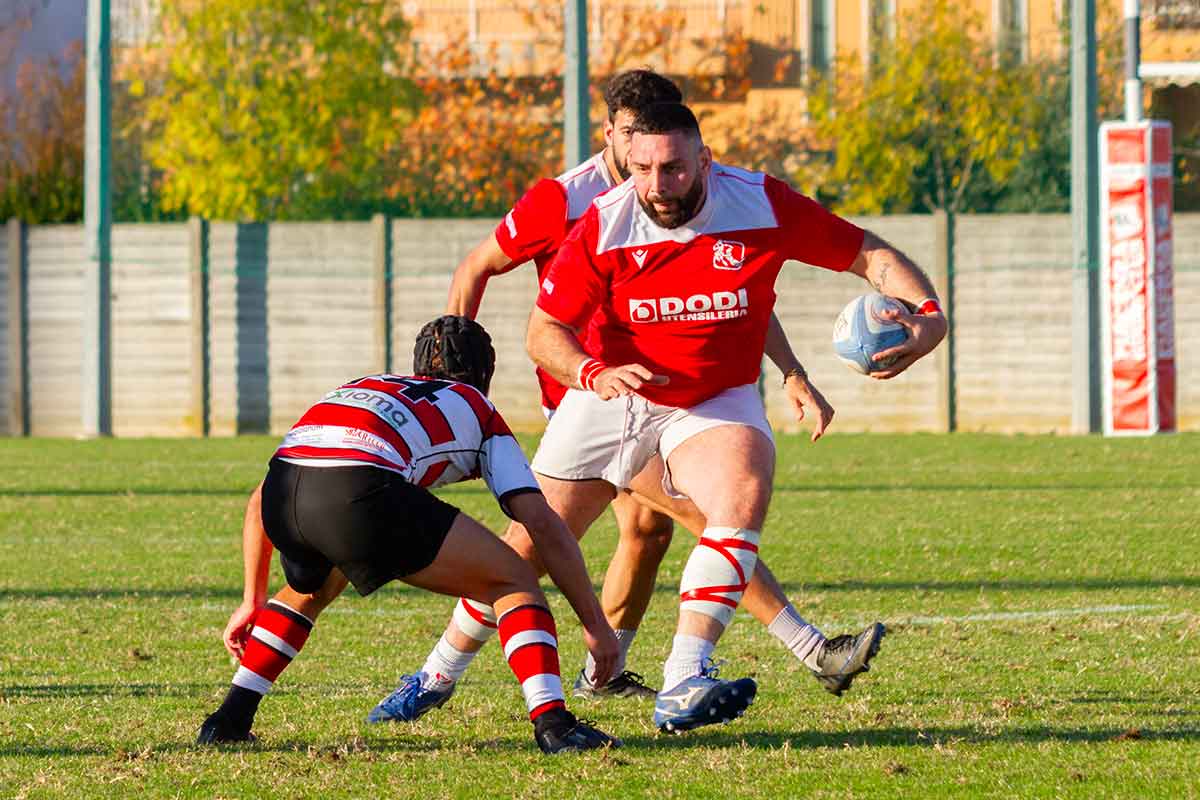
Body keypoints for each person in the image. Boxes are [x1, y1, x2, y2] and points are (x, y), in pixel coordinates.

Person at [367, 71, 885, 726]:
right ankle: (809, 652)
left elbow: (738, 301)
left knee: (650, 533)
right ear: (611, 133)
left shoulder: (698, 195)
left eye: (665, 154)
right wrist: (455, 389)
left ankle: (599, 673)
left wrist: (789, 370)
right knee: (686, 524)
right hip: (590, 400)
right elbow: (479, 269)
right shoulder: (566, 200)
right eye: (634, 144)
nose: (656, 172)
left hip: (677, 399)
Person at [519, 101, 947, 733]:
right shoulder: (585, 210)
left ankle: (681, 675)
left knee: (714, 507)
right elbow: (527, 312)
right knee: (530, 548)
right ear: (615, 141)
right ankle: (437, 673)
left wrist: (927, 314)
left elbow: (849, 261)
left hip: (706, 401)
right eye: (641, 167)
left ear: (703, 159)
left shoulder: (759, 204)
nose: (658, 185)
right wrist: (473, 362)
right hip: (605, 398)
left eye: (672, 168)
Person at [197, 315, 621, 754]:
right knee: (514, 580)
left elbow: (258, 499)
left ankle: (228, 718)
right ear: (485, 374)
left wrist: (252, 598)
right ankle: (554, 723)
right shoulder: (477, 406)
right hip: (357, 492)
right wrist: (594, 624)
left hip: (285, 495)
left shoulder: (364, 384)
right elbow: (542, 522)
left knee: (311, 590)